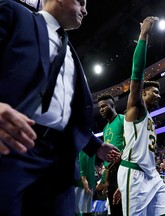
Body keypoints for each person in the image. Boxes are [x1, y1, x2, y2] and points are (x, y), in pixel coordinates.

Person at [0, 0, 120, 215]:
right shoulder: (15, 13)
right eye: (81, 2)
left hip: (60, 160)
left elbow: (64, 110)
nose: (86, 9)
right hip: (12, 144)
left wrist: (95, 145)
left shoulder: (71, 53)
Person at [117, 16, 165, 216]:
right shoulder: (136, 107)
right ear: (142, 93)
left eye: (158, 92)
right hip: (135, 174)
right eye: (153, 92)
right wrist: (143, 35)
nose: (158, 94)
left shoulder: (148, 117)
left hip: (152, 176)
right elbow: (137, 74)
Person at [97, 93, 125, 216]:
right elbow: (106, 158)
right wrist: (104, 180)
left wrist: (121, 158)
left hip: (123, 167)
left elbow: (131, 143)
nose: (101, 109)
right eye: (100, 108)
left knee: (124, 207)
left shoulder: (123, 119)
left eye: (104, 106)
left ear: (112, 105)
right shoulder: (105, 128)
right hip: (110, 172)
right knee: (114, 209)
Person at [75, 151, 96, 216]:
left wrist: (83, 177)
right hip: (86, 178)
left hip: (80, 181)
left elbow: (84, 154)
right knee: (85, 210)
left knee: (80, 210)